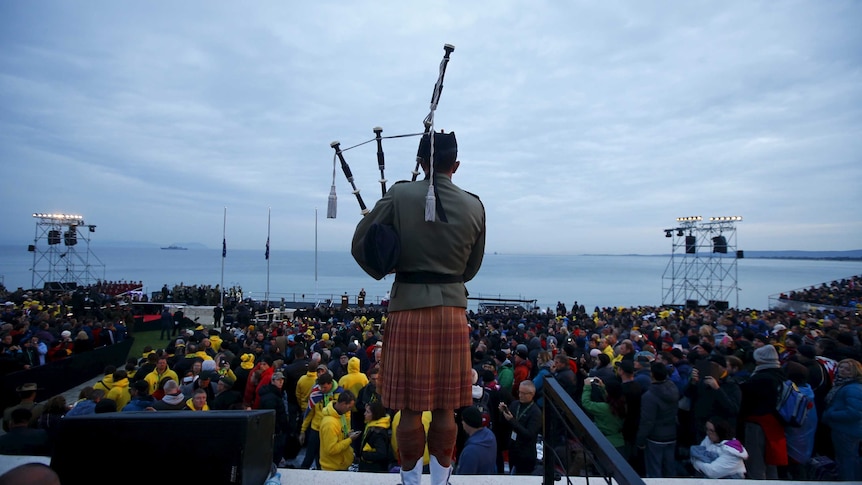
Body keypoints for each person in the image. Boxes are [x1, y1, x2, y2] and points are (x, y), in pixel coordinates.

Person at [351, 130, 486, 485]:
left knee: (409, 410)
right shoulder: (475, 205)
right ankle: (440, 480)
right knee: (445, 408)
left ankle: (410, 482)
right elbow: (471, 268)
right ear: (455, 165)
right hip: (452, 311)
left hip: (407, 306)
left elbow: (361, 242)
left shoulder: (399, 194)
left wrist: (385, 264)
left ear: (420, 163)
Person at [739, 344, 786, 479]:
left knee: (756, 461)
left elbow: (747, 399)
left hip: (758, 422)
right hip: (775, 422)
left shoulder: (761, 378)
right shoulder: (780, 373)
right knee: (771, 460)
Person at [821, 358, 862, 481]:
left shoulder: (852, 388)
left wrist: (831, 414)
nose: (842, 370)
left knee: (847, 459)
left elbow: (855, 412)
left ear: (855, 372)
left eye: (847, 369)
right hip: (843, 429)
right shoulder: (842, 385)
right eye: (841, 367)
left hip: (846, 430)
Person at [636, 361, 679, 478]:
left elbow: (647, 421)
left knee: (654, 469)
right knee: (669, 468)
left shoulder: (649, 396)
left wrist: (640, 440)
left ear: (652, 375)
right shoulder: (673, 388)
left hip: (656, 437)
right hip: (671, 434)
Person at [500, 380, 542, 475]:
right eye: (519, 392)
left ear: (532, 394)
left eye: (524, 393)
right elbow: (505, 424)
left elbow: (529, 434)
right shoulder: (515, 404)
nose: (520, 395)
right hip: (513, 449)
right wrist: (503, 412)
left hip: (526, 453)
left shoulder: (536, 412)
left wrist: (512, 421)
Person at [581, 377, 626, 456]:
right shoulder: (623, 405)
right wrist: (602, 388)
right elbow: (611, 399)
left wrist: (587, 388)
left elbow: (586, 403)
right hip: (620, 441)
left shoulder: (603, 408)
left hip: (606, 443)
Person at [319, 390, 362, 471]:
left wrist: (347, 434)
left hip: (339, 464)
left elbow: (339, 436)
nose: (349, 410)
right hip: (333, 468)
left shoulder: (340, 415)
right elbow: (331, 449)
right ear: (343, 404)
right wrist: (350, 439)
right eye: (349, 407)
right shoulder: (329, 424)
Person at [259, 371, 290, 465]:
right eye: (278, 380)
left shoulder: (275, 394)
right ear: (272, 381)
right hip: (274, 431)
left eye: (282, 380)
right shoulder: (271, 397)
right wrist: (278, 428)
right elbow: (271, 416)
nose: (281, 382)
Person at [456, 405, 497, 475]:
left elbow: (464, 479)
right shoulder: (491, 436)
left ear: (467, 423)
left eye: (463, 420)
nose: (462, 423)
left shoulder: (469, 451)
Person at [358, 400, 394, 472]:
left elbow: (381, 453)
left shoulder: (378, 433)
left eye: (368, 412)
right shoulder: (371, 425)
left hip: (373, 469)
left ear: (375, 414)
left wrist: (364, 455)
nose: (364, 414)